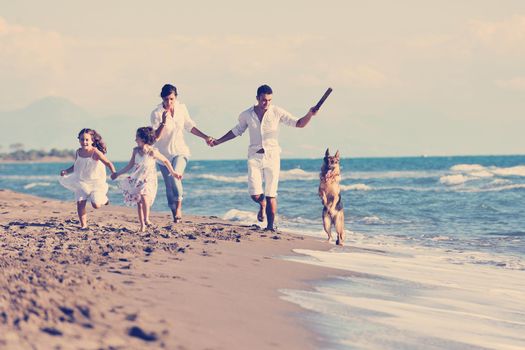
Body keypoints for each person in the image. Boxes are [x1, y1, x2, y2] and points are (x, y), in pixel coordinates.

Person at [210, 84, 317, 231]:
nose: (266, 103)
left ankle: (270, 227)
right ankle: (262, 204)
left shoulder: (277, 111)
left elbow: (299, 123)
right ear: (257, 98)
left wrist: (310, 114)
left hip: (272, 157)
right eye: (263, 100)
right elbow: (236, 131)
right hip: (254, 157)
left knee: (271, 194)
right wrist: (218, 141)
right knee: (255, 194)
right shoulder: (246, 115)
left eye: (269, 100)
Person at [151, 84, 213, 223]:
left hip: (180, 151)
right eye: (166, 99)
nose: (169, 102)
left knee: (175, 177)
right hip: (162, 155)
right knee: (168, 186)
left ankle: (179, 207)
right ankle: (175, 216)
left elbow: (189, 126)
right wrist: (163, 122)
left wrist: (205, 137)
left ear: (176, 97)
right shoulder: (156, 113)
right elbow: (155, 137)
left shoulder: (181, 108)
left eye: (172, 99)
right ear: (162, 98)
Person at [111, 127, 180, 232]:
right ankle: (142, 225)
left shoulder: (152, 152)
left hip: (149, 179)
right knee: (139, 202)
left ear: (143, 138)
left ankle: (147, 219)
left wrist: (173, 173)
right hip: (137, 178)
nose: (135, 139)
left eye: (137, 137)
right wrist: (117, 174)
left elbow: (166, 161)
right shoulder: (135, 151)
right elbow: (130, 165)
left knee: (144, 195)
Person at [59, 128, 116, 229]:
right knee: (80, 203)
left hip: (95, 183)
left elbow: (108, 163)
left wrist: (114, 173)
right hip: (81, 182)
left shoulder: (95, 152)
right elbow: (76, 166)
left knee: (96, 205)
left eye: (86, 140)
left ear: (92, 141)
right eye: (82, 139)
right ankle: (83, 225)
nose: (84, 142)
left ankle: (105, 199)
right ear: (79, 140)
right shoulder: (78, 152)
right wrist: (66, 171)